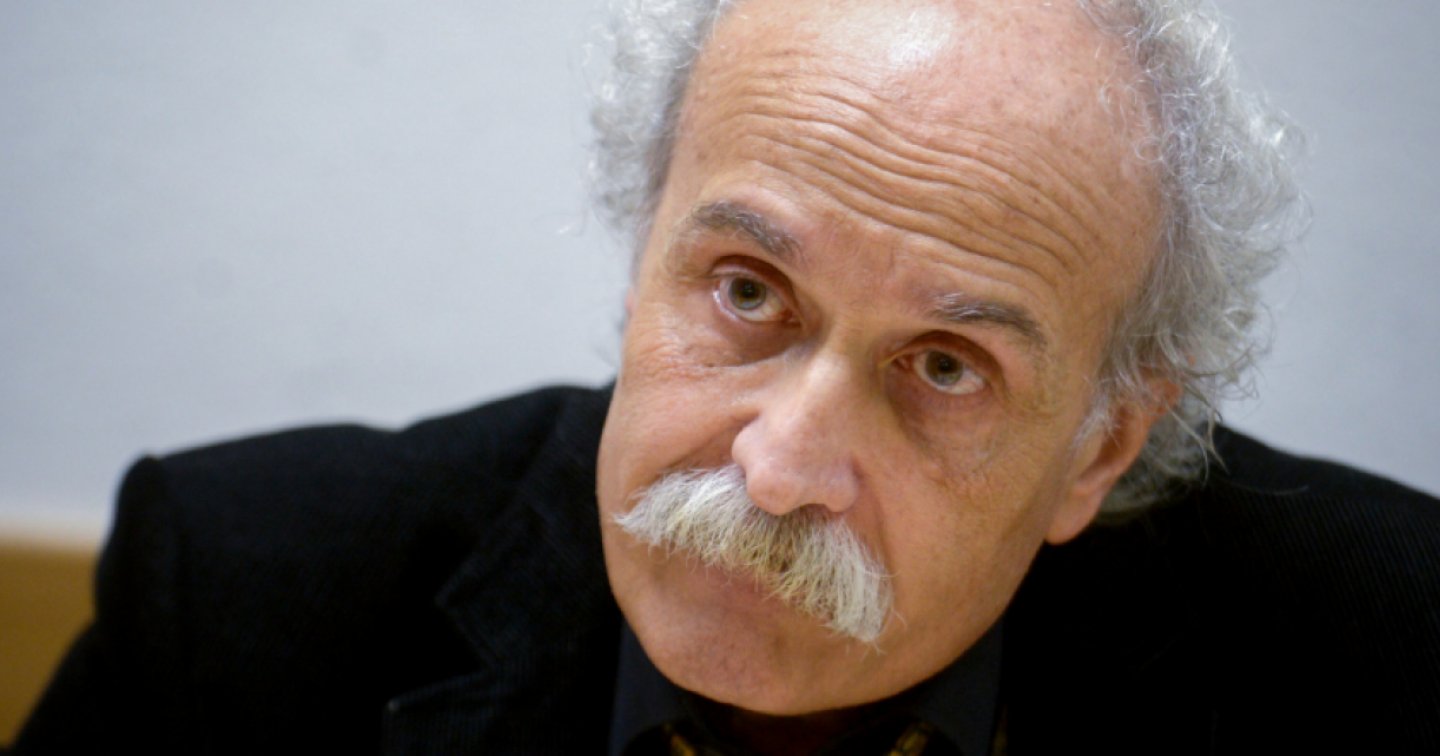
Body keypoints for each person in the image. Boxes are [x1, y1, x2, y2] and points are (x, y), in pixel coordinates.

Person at [15, 0, 1439, 753]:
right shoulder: (241, 606)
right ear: (643, 257)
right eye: (748, 292)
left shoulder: (1389, 662)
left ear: (1101, 448)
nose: (779, 468)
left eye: (945, 366)